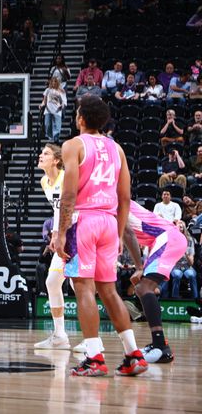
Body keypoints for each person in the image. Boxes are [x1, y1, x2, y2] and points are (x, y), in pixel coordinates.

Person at [51, 95, 148, 377]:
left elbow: (68, 193)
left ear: (81, 118)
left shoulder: (73, 145)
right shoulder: (116, 148)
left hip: (84, 221)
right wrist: (118, 235)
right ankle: (133, 354)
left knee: (83, 288)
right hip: (108, 221)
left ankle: (94, 357)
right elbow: (125, 197)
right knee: (108, 289)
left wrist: (61, 231)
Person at [125, 200, 188, 364]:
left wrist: (139, 266)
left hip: (167, 237)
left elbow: (127, 233)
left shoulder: (112, 198)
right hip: (162, 240)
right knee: (141, 288)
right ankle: (159, 344)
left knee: (144, 287)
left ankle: (160, 347)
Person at [33, 144, 70, 350]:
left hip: (77, 234)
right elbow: (57, 211)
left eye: (45, 153)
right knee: (53, 282)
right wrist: (55, 233)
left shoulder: (67, 177)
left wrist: (59, 233)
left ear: (56, 160)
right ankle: (60, 335)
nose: (41, 155)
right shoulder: (44, 181)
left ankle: (93, 340)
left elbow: (69, 209)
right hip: (64, 236)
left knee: (78, 286)